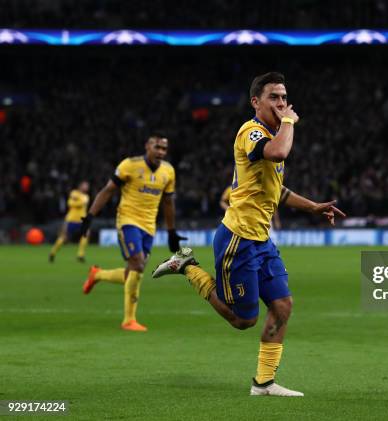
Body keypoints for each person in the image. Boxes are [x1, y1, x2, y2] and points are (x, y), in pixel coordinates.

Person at [152, 72, 345, 397]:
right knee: (243, 320)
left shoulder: (271, 135)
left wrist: (312, 207)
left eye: (284, 97)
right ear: (256, 101)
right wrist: (290, 123)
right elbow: (279, 153)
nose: (282, 103)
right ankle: (187, 266)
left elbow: (277, 189)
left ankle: (264, 383)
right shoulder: (251, 132)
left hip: (261, 240)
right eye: (274, 97)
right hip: (238, 239)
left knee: (282, 306)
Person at [79, 134, 186, 332]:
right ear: (147, 146)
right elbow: (107, 190)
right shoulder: (129, 165)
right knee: (137, 262)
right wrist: (89, 217)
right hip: (127, 220)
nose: (160, 152)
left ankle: (98, 274)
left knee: (134, 271)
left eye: (164, 149)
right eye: (157, 147)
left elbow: (168, 202)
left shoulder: (168, 171)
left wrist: (171, 232)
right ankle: (129, 320)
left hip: (149, 226)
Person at [49, 181, 90, 263]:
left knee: (86, 234)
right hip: (71, 219)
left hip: (82, 220)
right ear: (80, 186)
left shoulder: (86, 196)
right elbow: (70, 203)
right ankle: (53, 252)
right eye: (85, 185)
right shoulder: (74, 193)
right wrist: (81, 202)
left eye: (87, 186)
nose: (86, 187)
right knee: (64, 237)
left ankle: (80, 254)